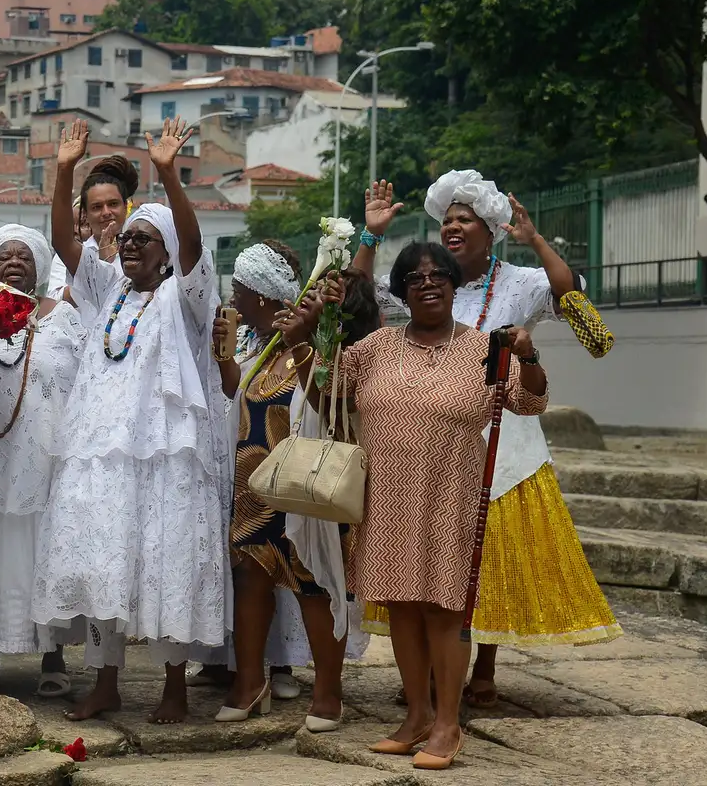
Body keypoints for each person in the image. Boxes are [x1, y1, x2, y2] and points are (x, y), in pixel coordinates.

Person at [278, 241, 550, 769]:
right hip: (388, 497)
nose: (428, 283)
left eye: (439, 275)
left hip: (452, 497)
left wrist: (529, 355)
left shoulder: (483, 348)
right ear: (401, 289)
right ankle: (418, 714)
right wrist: (303, 345)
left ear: (454, 285)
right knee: (402, 608)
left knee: (444, 611)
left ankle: (448, 723)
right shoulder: (376, 346)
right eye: (416, 277)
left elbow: (532, 400)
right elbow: (327, 395)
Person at [354, 173, 621, 707]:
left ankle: (484, 665)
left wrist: (537, 241)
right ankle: (432, 674)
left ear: (492, 229)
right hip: (424, 445)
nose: (452, 226)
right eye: (446, 219)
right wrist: (370, 236)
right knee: (436, 565)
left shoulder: (522, 281)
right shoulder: (423, 282)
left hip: (507, 440)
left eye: (465, 219)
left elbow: (585, 322)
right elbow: (357, 307)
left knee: (490, 559)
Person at [33, 118, 234, 724]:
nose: (129, 244)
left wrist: (169, 174)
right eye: (126, 238)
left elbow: (194, 244)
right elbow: (66, 245)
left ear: (168, 251)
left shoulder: (188, 297)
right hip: (100, 452)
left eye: (144, 238)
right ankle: (106, 681)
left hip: (167, 454)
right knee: (102, 561)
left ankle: (174, 684)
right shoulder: (103, 291)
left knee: (165, 560)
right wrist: (64, 168)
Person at [210, 244, 382, 731]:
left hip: (308, 485)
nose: (234, 299)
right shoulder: (260, 345)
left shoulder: (328, 345)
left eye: (241, 290)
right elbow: (239, 395)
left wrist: (308, 337)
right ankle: (249, 684)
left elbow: (331, 395)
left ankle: (328, 693)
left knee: (314, 581)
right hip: (255, 485)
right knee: (250, 578)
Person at [0, 225, 84, 697]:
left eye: (24, 256)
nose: (13, 262)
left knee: (40, 550)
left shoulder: (64, 320)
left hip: (42, 457)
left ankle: (53, 656)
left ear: (41, 268)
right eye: (4, 255)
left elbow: (80, 386)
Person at [51, 157, 140, 302]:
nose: (106, 212)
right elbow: (54, 301)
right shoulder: (72, 255)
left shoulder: (143, 251)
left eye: (113, 204)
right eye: (97, 207)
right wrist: (97, 268)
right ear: (85, 213)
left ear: (125, 206)